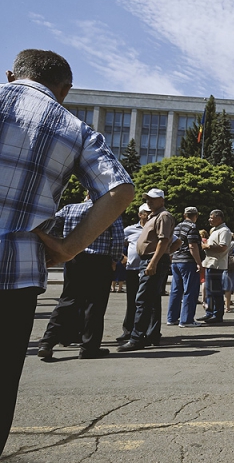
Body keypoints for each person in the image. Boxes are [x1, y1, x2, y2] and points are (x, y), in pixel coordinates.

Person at [0, 49, 134, 454]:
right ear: (65, 90)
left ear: (11, 74)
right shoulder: (72, 126)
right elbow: (120, 190)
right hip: (16, 271)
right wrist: (69, 248)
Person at [37, 198, 124, 360]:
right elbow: (118, 237)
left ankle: (47, 342)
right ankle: (89, 347)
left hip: (74, 257)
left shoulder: (70, 208)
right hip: (99, 260)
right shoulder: (111, 208)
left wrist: (61, 245)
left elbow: (51, 224)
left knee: (68, 299)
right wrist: (115, 259)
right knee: (95, 304)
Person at [118, 189, 176, 351]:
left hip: (151, 261)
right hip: (148, 261)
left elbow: (163, 241)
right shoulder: (155, 216)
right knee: (149, 300)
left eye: (153, 199)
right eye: (147, 199)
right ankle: (149, 335)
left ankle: (136, 338)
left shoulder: (163, 216)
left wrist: (154, 262)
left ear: (162, 201)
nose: (149, 201)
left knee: (143, 299)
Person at [118, 204, 151, 341]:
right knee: (132, 300)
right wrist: (122, 257)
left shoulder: (155, 227)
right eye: (146, 213)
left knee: (147, 302)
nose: (149, 215)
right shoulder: (130, 230)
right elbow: (117, 242)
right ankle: (128, 330)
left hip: (148, 269)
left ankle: (146, 331)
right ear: (140, 215)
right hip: (132, 269)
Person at [167, 206, 204, 328]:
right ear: (196, 216)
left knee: (176, 290)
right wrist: (199, 263)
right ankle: (186, 320)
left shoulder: (177, 227)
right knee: (190, 290)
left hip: (176, 260)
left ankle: (172, 318)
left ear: (184, 215)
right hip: (188, 261)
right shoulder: (192, 227)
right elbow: (193, 246)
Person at [198, 209, 234, 323]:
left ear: (219, 218)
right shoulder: (216, 230)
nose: (209, 219)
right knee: (209, 291)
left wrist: (207, 247)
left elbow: (223, 247)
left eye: (212, 217)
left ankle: (217, 314)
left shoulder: (224, 231)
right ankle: (210, 312)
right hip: (210, 263)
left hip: (216, 264)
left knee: (215, 291)